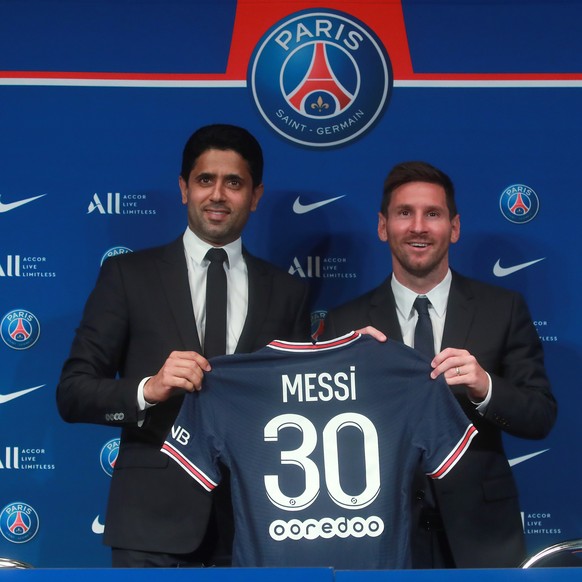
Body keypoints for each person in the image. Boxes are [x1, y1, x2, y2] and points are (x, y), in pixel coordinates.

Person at [56, 124, 311, 568]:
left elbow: (298, 400)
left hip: (257, 523)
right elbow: (73, 393)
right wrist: (147, 389)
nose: (217, 195)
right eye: (204, 180)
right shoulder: (128, 276)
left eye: (234, 183)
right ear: (183, 188)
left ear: (255, 195)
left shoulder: (287, 292)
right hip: (150, 528)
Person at [322, 161, 557, 569]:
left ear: (454, 227)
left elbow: (540, 416)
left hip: (482, 536)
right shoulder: (344, 323)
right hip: (378, 533)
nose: (418, 226)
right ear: (382, 226)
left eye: (432, 213)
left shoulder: (502, 309)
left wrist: (486, 386)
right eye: (403, 213)